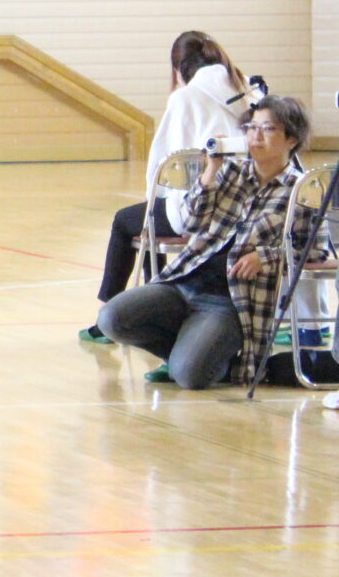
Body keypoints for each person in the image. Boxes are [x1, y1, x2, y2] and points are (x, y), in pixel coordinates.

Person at [97, 95, 326, 389]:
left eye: (267, 129)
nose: (255, 137)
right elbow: (191, 222)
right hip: (185, 280)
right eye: (251, 128)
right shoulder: (231, 172)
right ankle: (195, 352)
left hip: (231, 302)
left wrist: (266, 257)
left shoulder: (300, 190)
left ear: (292, 139)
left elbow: (315, 250)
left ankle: (208, 358)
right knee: (112, 318)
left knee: (189, 377)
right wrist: (210, 171)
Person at [84, 32, 252, 342]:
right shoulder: (247, 91)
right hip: (248, 209)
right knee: (149, 218)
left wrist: (153, 199)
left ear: (178, 68)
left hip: (201, 209)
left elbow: (163, 163)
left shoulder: (185, 97)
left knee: (128, 220)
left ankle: (116, 311)